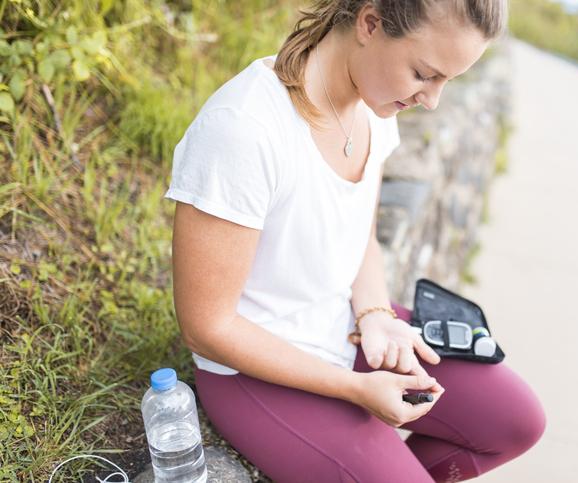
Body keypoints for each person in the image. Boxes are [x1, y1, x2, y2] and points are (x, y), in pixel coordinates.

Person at [163, 0, 546, 481]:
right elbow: (207, 328)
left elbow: (359, 234)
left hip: (344, 326)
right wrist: (353, 389)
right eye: (424, 73)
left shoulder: (375, 103)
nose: (433, 100)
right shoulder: (243, 130)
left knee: (516, 421)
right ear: (370, 23)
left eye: (449, 80)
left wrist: (377, 316)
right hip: (255, 370)